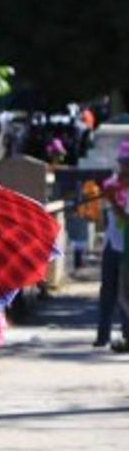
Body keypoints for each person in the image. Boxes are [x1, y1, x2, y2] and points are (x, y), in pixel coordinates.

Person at [99, 143, 129, 349]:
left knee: (125, 293)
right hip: (112, 242)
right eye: (122, 162)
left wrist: (115, 203)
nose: (123, 166)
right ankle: (103, 335)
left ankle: (127, 334)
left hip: (127, 247)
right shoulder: (111, 183)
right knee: (107, 291)